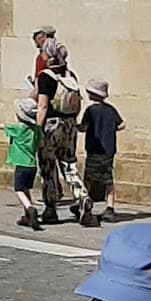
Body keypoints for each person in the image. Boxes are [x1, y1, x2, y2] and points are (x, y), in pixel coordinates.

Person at [35, 36, 85, 223]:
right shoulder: (70, 76)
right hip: (69, 124)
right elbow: (78, 103)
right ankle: (82, 198)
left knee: (48, 166)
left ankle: (50, 207)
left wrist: (37, 129)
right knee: (69, 165)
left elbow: (43, 106)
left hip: (51, 125)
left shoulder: (46, 77)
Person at [0, 97, 44, 231]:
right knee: (26, 189)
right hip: (32, 164)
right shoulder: (36, 130)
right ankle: (27, 216)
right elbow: (41, 144)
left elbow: (1, 126)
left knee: (18, 190)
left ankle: (30, 208)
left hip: (21, 164)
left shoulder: (18, 129)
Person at [79, 78, 124, 227]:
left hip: (94, 150)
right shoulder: (111, 110)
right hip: (108, 150)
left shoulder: (90, 111)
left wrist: (76, 127)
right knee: (108, 179)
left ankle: (84, 203)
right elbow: (122, 124)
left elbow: (84, 127)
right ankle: (110, 207)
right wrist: (110, 130)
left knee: (89, 179)